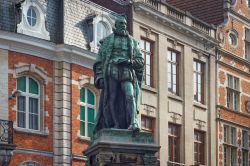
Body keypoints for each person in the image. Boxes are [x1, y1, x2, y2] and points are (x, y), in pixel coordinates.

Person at [93, 16, 144, 134]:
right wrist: (100, 76)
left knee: (129, 95)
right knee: (112, 98)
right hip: (112, 69)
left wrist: (129, 62)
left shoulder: (132, 42)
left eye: (125, 24)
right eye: (121, 23)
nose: (123, 26)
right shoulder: (107, 41)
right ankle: (114, 123)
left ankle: (133, 122)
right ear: (116, 25)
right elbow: (99, 60)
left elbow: (140, 61)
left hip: (127, 70)